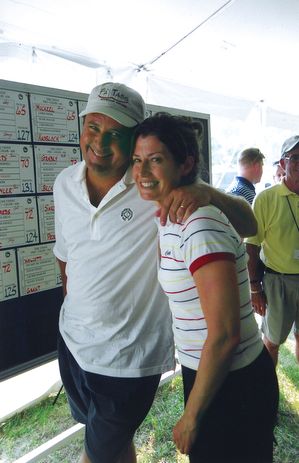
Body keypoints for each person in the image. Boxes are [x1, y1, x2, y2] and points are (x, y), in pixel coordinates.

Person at [53, 82, 258, 463]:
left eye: (116, 133)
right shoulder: (64, 183)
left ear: (134, 139)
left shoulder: (159, 190)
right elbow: (65, 256)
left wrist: (209, 194)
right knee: (114, 445)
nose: (100, 141)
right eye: (93, 127)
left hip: (128, 358)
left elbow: (248, 222)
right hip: (75, 344)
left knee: (96, 455)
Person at [132, 113, 278, 463]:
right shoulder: (168, 216)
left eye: (156, 160)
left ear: (185, 164)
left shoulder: (197, 224)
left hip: (233, 381)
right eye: (137, 160)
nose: (142, 172)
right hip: (212, 372)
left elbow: (225, 333)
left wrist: (192, 415)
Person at [246, 135, 299, 367]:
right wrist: (255, 288)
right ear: (282, 164)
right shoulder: (266, 199)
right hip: (278, 281)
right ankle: (268, 395)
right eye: (295, 157)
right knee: (273, 341)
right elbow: (252, 246)